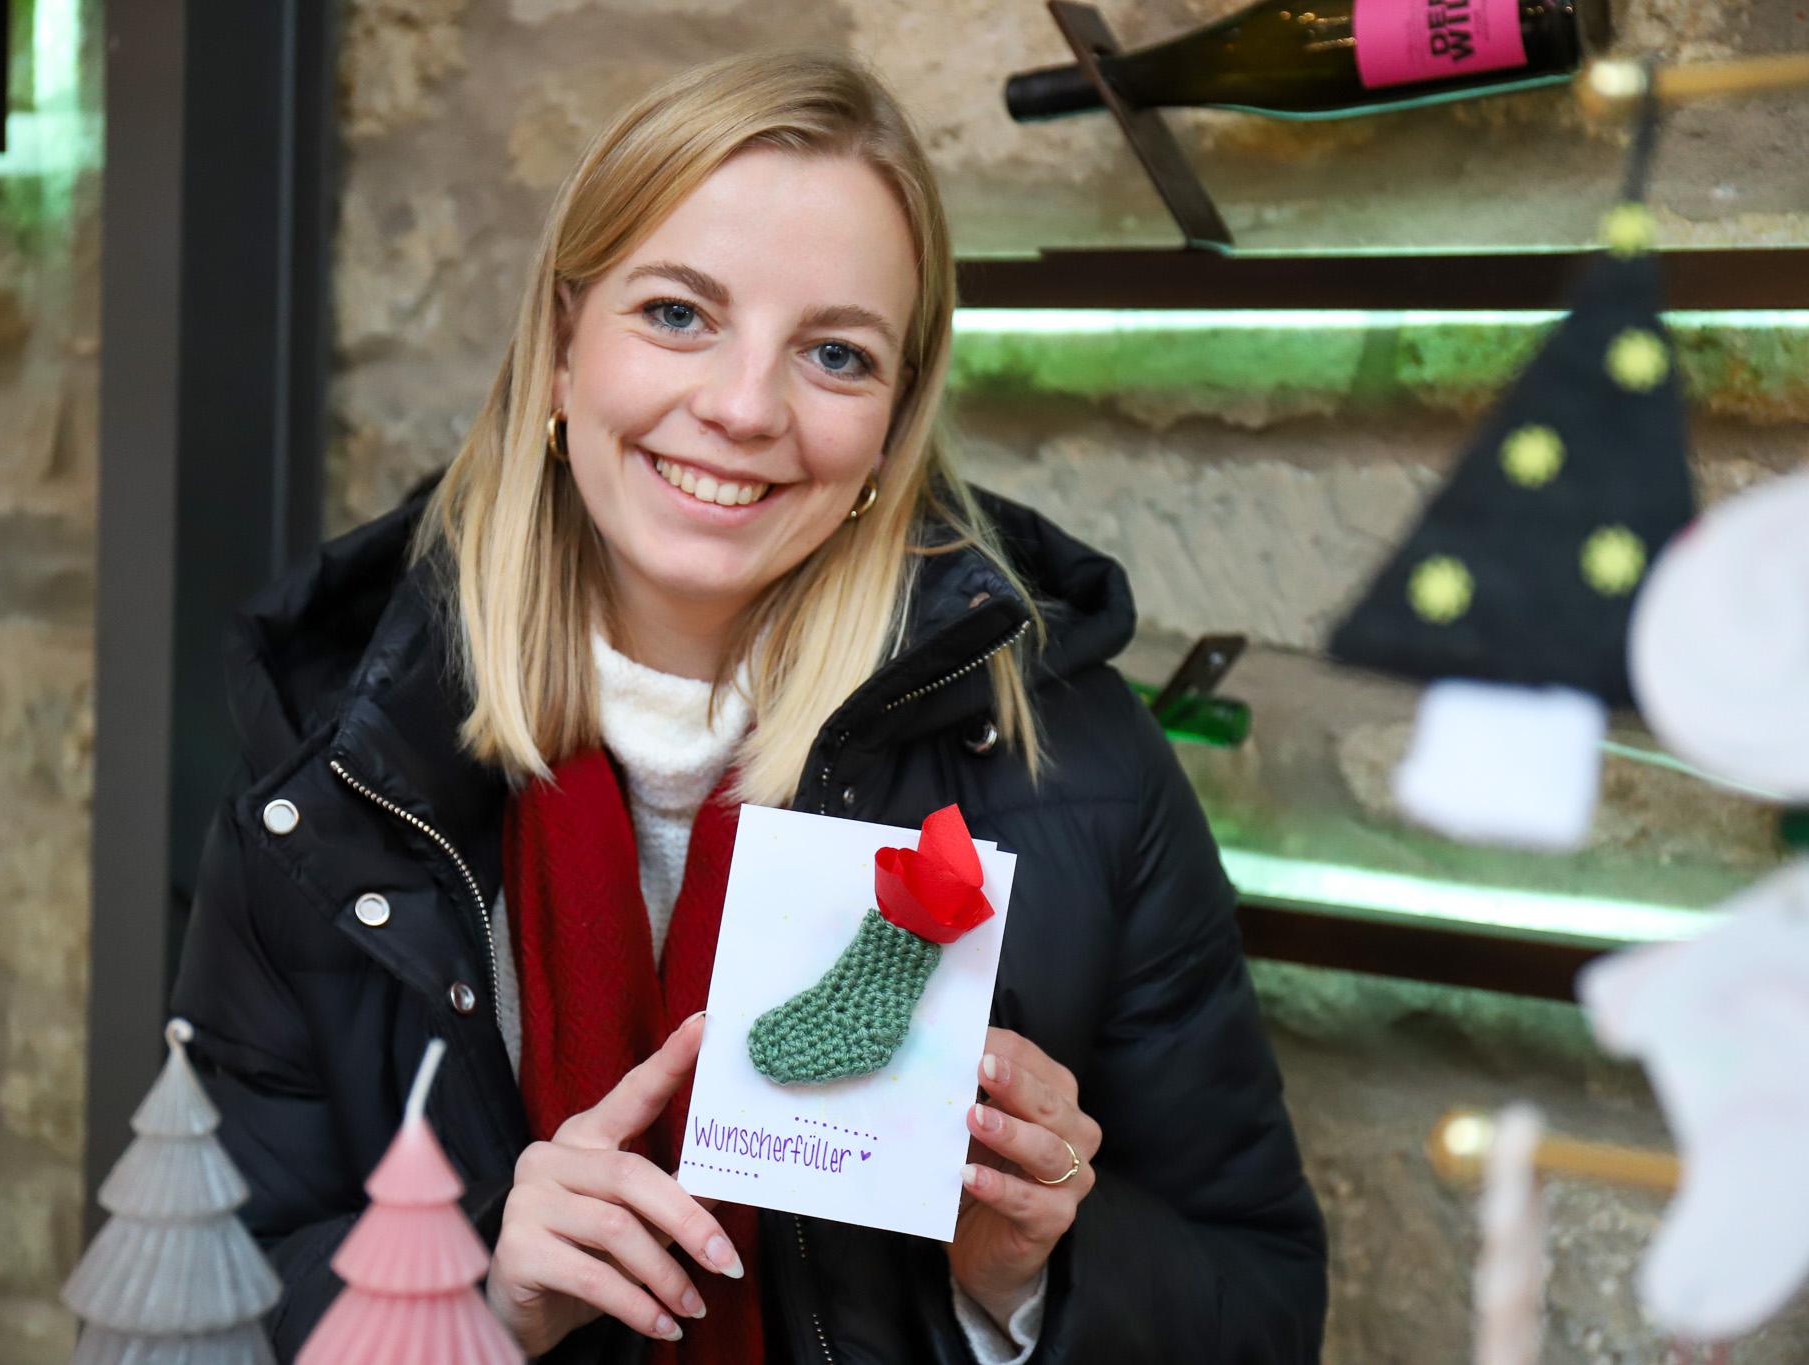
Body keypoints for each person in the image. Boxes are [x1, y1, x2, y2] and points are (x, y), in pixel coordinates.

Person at [172, 48, 1327, 1364]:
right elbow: (197, 1300)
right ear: (561, 347)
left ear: (893, 422)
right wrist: (473, 1294)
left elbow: (1263, 1304)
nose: (740, 407)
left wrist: (1027, 1282)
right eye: (677, 314)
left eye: (835, 354)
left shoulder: (1077, 762)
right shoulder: (340, 761)